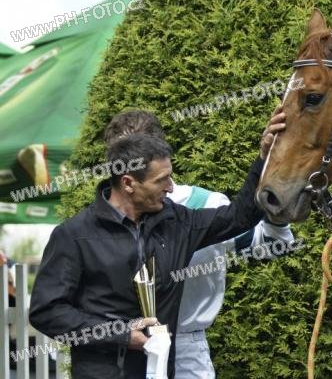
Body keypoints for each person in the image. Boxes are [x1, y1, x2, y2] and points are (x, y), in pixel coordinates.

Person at [29, 110, 286, 378]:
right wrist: (121, 335)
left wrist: (265, 158)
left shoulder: (177, 222)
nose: (171, 188)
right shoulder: (74, 235)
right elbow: (47, 312)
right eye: (161, 180)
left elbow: (240, 216)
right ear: (128, 183)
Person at [103, 109, 294, 379]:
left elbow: (272, 242)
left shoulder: (203, 205)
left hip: (185, 350)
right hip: (119, 348)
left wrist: (275, 176)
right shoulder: (97, 221)